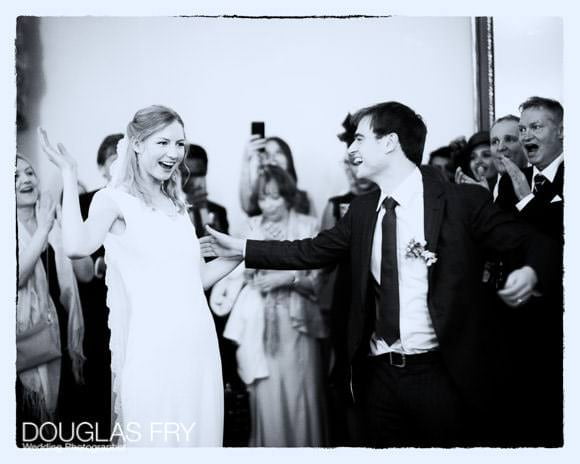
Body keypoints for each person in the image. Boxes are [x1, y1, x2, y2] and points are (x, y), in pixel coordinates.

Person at [200, 101, 558, 447]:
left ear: (389, 143)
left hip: (441, 373)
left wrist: (529, 271)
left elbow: (535, 242)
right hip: (378, 377)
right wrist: (242, 248)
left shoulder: (461, 201)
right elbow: (308, 250)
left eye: (360, 138)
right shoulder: (361, 209)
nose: (352, 148)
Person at [39, 105, 243, 447]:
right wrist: (69, 175)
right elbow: (75, 246)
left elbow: (197, 281)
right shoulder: (113, 200)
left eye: (180, 144)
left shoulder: (177, 207)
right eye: (163, 143)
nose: (174, 153)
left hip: (199, 345)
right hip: (154, 348)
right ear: (136, 143)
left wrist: (243, 251)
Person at [215, 165, 327, 446]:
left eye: (276, 197)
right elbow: (234, 274)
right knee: (265, 397)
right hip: (259, 326)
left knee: (302, 396)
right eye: (263, 198)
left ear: (288, 196)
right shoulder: (249, 226)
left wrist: (286, 278)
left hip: (299, 325)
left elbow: (321, 282)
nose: (269, 205)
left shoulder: (308, 225)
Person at [488, 96, 564, 446]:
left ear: (561, 131)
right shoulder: (510, 179)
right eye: (523, 128)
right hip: (518, 313)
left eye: (536, 127)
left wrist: (527, 201)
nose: (527, 135)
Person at [16, 156, 88, 446]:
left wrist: (68, 225)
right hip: (26, 340)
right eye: (15, 176)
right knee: (31, 427)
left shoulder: (52, 216)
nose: (26, 180)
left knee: (66, 423)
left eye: (30, 172)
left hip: (64, 333)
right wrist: (43, 230)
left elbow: (84, 276)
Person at [76, 133, 124, 443]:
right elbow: (79, 254)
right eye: (113, 160)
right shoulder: (85, 201)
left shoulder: (147, 201)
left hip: (137, 304)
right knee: (101, 379)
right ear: (102, 168)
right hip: (97, 305)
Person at [239, 135, 313, 217]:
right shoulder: (258, 196)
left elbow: (313, 227)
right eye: (267, 154)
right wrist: (246, 161)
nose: (273, 158)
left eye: (278, 152)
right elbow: (247, 207)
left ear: (288, 158)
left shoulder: (305, 198)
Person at [180, 143, 229, 237]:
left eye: (199, 174)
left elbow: (225, 247)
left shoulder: (218, 211)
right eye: (188, 174)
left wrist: (203, 209)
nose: (194, 181)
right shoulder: (166, 212)